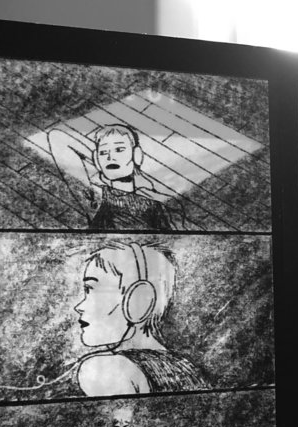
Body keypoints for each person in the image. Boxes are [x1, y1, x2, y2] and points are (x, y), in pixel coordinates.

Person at [74, 241, 208, 395]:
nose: (79, 307)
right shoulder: (186, 368)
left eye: (92, 290)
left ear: (139, 300)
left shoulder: (107, 370)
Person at [48, 123, 184, 230]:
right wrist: (97, 161)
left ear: (137, 155)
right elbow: (56, 137)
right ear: (96, 159)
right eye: (103, 153)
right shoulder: (97, 196)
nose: (110, 157)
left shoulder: (154, 203)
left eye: (119, 150)